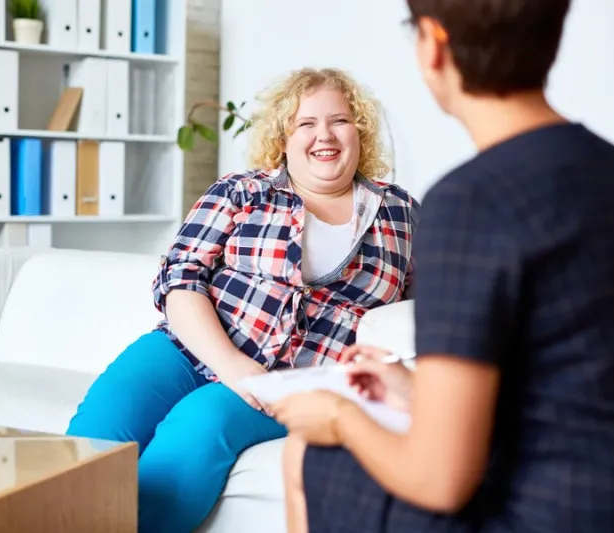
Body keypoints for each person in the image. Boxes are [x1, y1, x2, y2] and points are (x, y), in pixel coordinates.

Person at [272, 1, 614, 532]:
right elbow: (577, 383)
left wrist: (339, 417)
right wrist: (414, 390)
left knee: (305, 454)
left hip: (551, 517)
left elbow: (439, 480)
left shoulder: (470, 201)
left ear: (433, 45)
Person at [65, 67, 419, 533]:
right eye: (306, 123)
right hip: (184, 351)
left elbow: (426, 309)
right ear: (284, 137)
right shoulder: (241, 191)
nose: (324, 135)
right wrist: (232, 364)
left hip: (289, 382)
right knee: (88, 447)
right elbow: (179, 278)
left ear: (361, 131)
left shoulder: (401, 214)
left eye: (339, 121)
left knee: (199, 427)